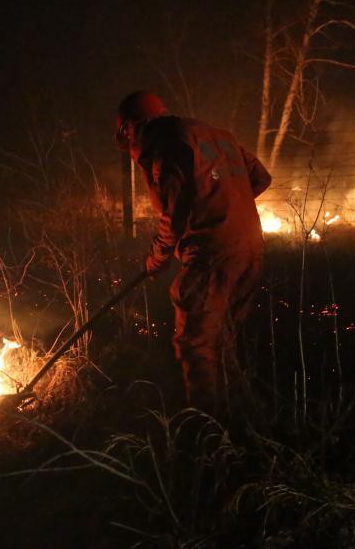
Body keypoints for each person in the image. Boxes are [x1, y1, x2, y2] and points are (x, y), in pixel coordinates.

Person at [115, 91, 272, 413]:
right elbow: (260, 178)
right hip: (251, 250)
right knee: (223, 337)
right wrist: (225, 203)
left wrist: (156, 259)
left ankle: (206, 428)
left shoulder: (167, 146)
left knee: (196, 343)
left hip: (212, 256)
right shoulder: (216, 134)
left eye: (125, 134)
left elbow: (174, 216)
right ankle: (238, 416)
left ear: (132, 127)